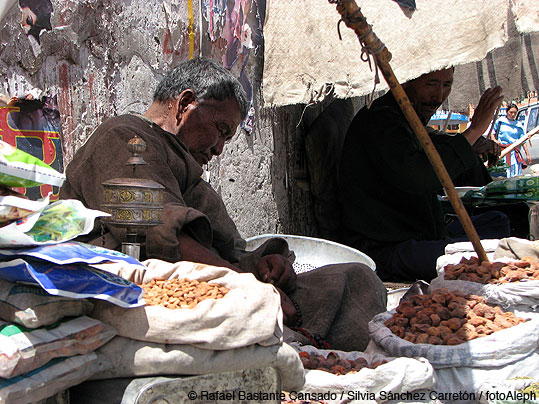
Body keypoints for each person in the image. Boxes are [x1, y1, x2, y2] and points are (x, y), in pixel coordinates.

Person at [60, 57, 387, 352]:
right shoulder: (122, 138)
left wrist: (262, 265)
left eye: (227, 139)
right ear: (186, 103)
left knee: (354, 278)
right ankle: (290, 345)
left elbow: (227, 249)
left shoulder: (184, 165)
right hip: (149, 291)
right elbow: (155, 228)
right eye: (220, 130)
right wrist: (249, 289)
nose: (218, 149)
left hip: (208, 285)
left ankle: (306, 348)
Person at [338, 68, 511, 283]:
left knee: (500, 223)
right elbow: (421, 176)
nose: (438, 96)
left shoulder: (408, 118)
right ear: (407, 80)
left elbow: (433, 148)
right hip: (387, 250)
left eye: (446, 85)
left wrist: (472, 147)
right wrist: (474, 130)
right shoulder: (380, 120)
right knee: (494, 256)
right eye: (431, 84)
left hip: (425, 233)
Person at [493, 103, 531, 177]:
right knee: (503, 171)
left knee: (515, 172)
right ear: (507, 112)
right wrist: (495, 140)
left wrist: (527, 154)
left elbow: (523, 140)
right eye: (511, 112)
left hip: (514, 152)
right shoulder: (500, 122)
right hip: (503, 151)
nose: (513, 114)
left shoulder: (518, 125)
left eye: (515, 113)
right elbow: (492, 132)